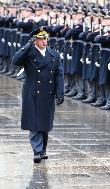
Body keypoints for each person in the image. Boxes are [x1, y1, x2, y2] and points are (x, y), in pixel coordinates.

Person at [12, 26, 64, 163]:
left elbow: (59, 75)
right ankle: (37, 151)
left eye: (45, 39)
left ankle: (43, 149)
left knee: (44, 125)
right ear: (35, 40)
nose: (44, 41)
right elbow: (15, 61)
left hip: (48, 94)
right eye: (41, 39)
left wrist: (60, 93)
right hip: (32, 93)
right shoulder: (28, 53)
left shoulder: (54, 54)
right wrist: (28, 45)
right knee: (34, 124)